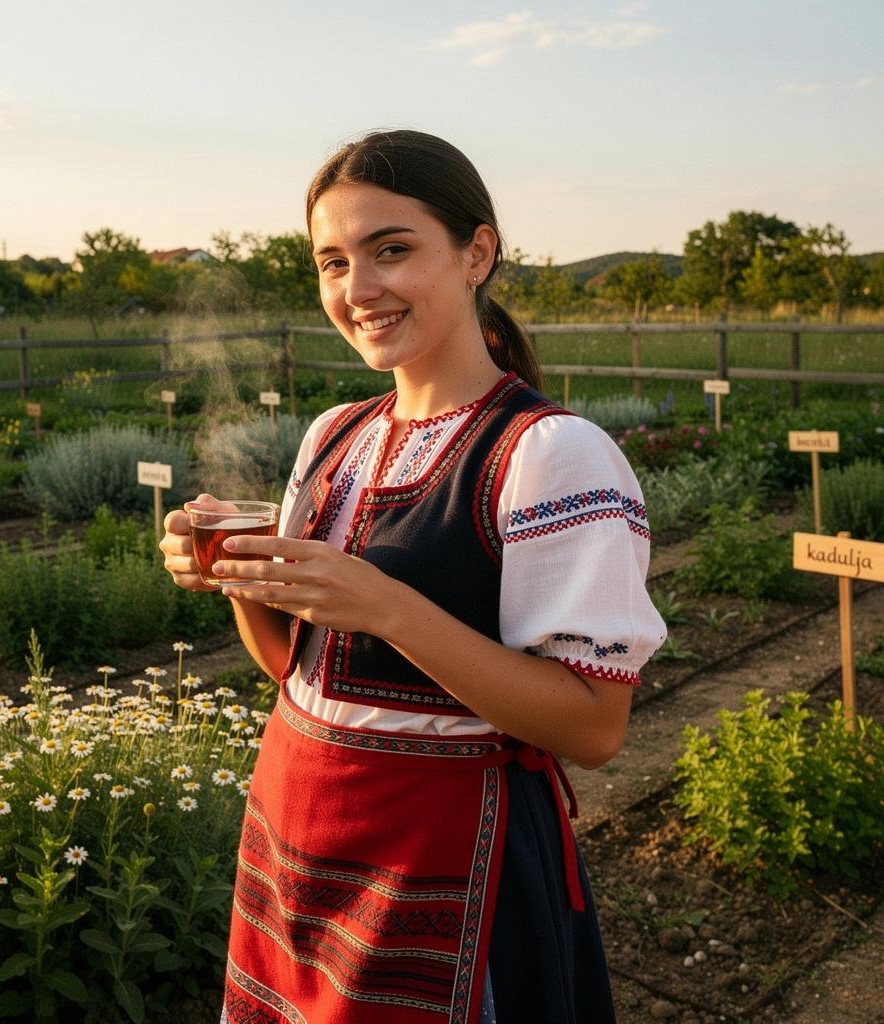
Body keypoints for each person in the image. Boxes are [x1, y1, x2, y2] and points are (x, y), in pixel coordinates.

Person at [160, 129, 666, 1024]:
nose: (358, 291)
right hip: (300, 832)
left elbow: (592, 728)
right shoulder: (334, 434)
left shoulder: (552, 456)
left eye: (392, 250)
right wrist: (239, 576)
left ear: (478, 253)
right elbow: (296, 669)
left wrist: (385, 604)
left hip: (447, 857)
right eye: (332, 262)